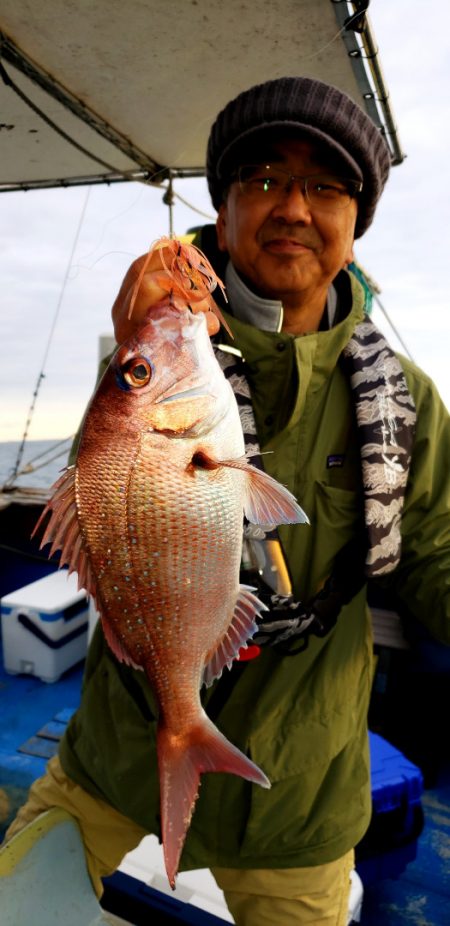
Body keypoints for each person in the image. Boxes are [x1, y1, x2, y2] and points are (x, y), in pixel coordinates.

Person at [4, 76, 450, 925]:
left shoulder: (409, 401)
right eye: (263, 179)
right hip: (114, 754)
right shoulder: (158, 343)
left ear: (356, 225)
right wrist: (138, 344)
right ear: (226, 205)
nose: (292, 206)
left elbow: (437, 552)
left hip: (302, 800)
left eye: (325, 186)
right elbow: (106, 478)